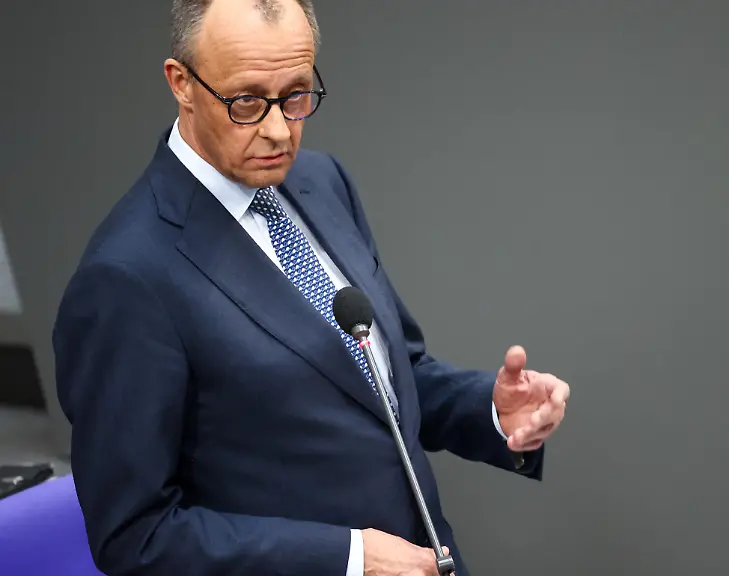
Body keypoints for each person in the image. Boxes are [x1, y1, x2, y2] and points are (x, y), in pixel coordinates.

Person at [51, 1, 570, 574]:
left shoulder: (322, 181)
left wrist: (491, 413)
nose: (278, 129)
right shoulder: (126, 276)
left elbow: (382, 373)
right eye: (246, 102)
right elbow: (135, 537)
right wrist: (347, 558)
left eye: (297, 96)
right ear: (182, 84)